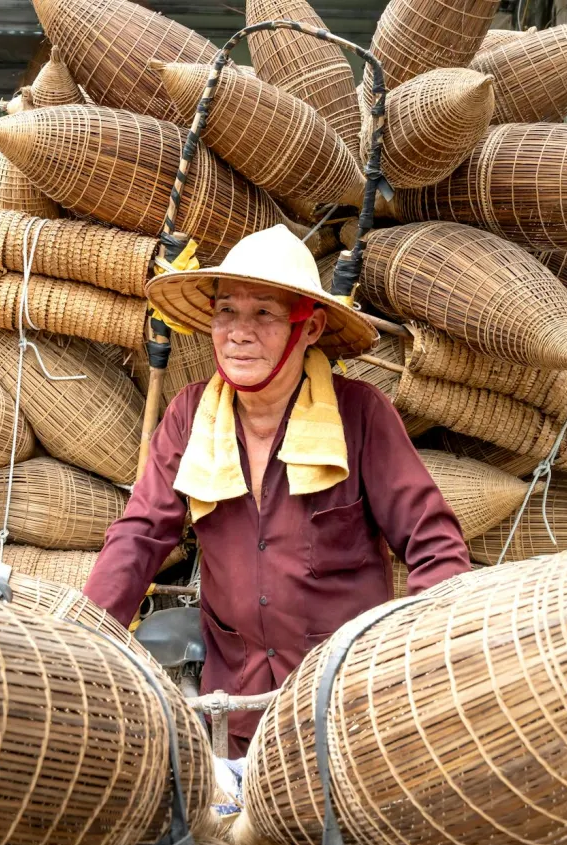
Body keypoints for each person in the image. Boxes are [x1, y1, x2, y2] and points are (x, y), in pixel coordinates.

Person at [83, 225, 472, 757]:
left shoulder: (360, 415)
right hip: (234, 707)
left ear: (307, 328)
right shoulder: (191, 415)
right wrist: (81, 640)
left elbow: (435, 546)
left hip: (342, 705)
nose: (239, 333)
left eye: (264, 313)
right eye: (226, 313)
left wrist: (408, 660)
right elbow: (140, 535)